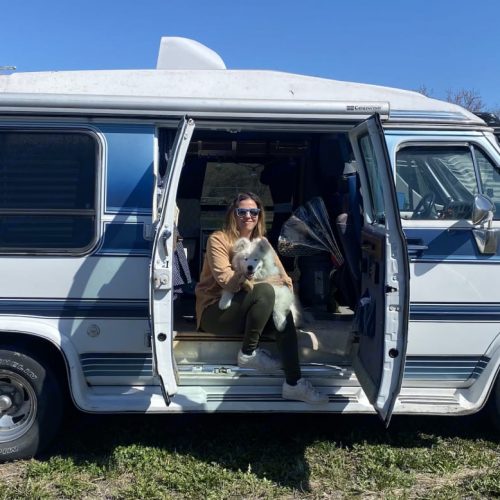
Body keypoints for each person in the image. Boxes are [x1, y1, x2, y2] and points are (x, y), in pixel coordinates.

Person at [195, 192, 328, 404]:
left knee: (283, 313)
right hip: (217, 311)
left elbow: (285, 280)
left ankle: (294, 384)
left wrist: (275, 282)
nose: (249, 216)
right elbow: (226, 281)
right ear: (233, 214)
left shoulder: (262, 242)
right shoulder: (218, 240)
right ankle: (248, 354)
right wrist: (258, 282)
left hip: (251, 310)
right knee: (266, 291)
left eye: (254, 211)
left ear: (259, 215)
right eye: (242, 211)